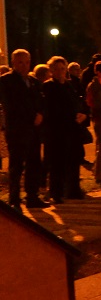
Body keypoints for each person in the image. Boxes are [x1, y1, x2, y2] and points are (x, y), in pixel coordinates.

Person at [0, 48, 47, 209]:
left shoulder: (33, 81)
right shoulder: (6, 81)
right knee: (17, 165)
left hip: (33, 130)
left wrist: (40, 113)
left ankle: (32, 196)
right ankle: (14, 199)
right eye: (20, 62)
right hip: (18, 129)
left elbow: (41, 100)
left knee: (34, 163)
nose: (24, 65)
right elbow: (11, 104)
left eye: (27, 62)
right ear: (13, 63)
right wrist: (32, 115)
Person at [41, 56, 89, 202]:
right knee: (58, 163)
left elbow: (78, 103)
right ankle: (57, 192)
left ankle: (73, 190)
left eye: (62, 69)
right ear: (51, 71)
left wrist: (82, 114)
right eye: (56, 69)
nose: (60, 72)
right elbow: (51, 109)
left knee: (74, 160)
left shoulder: (69, 85)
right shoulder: (48, 87)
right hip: (57, 131)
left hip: (73, 129)